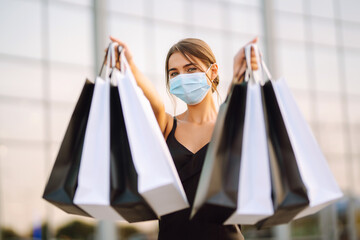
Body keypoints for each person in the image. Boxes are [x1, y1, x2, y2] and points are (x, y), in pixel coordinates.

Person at [108, 36, 259, 240]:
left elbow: (234, 103)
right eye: (174, 73)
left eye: (190, 69)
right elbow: (155, 104)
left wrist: (240, 72)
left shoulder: (229, 125)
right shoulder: (168, 126)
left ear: (212, 71)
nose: (182, 77)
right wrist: (130, 65)